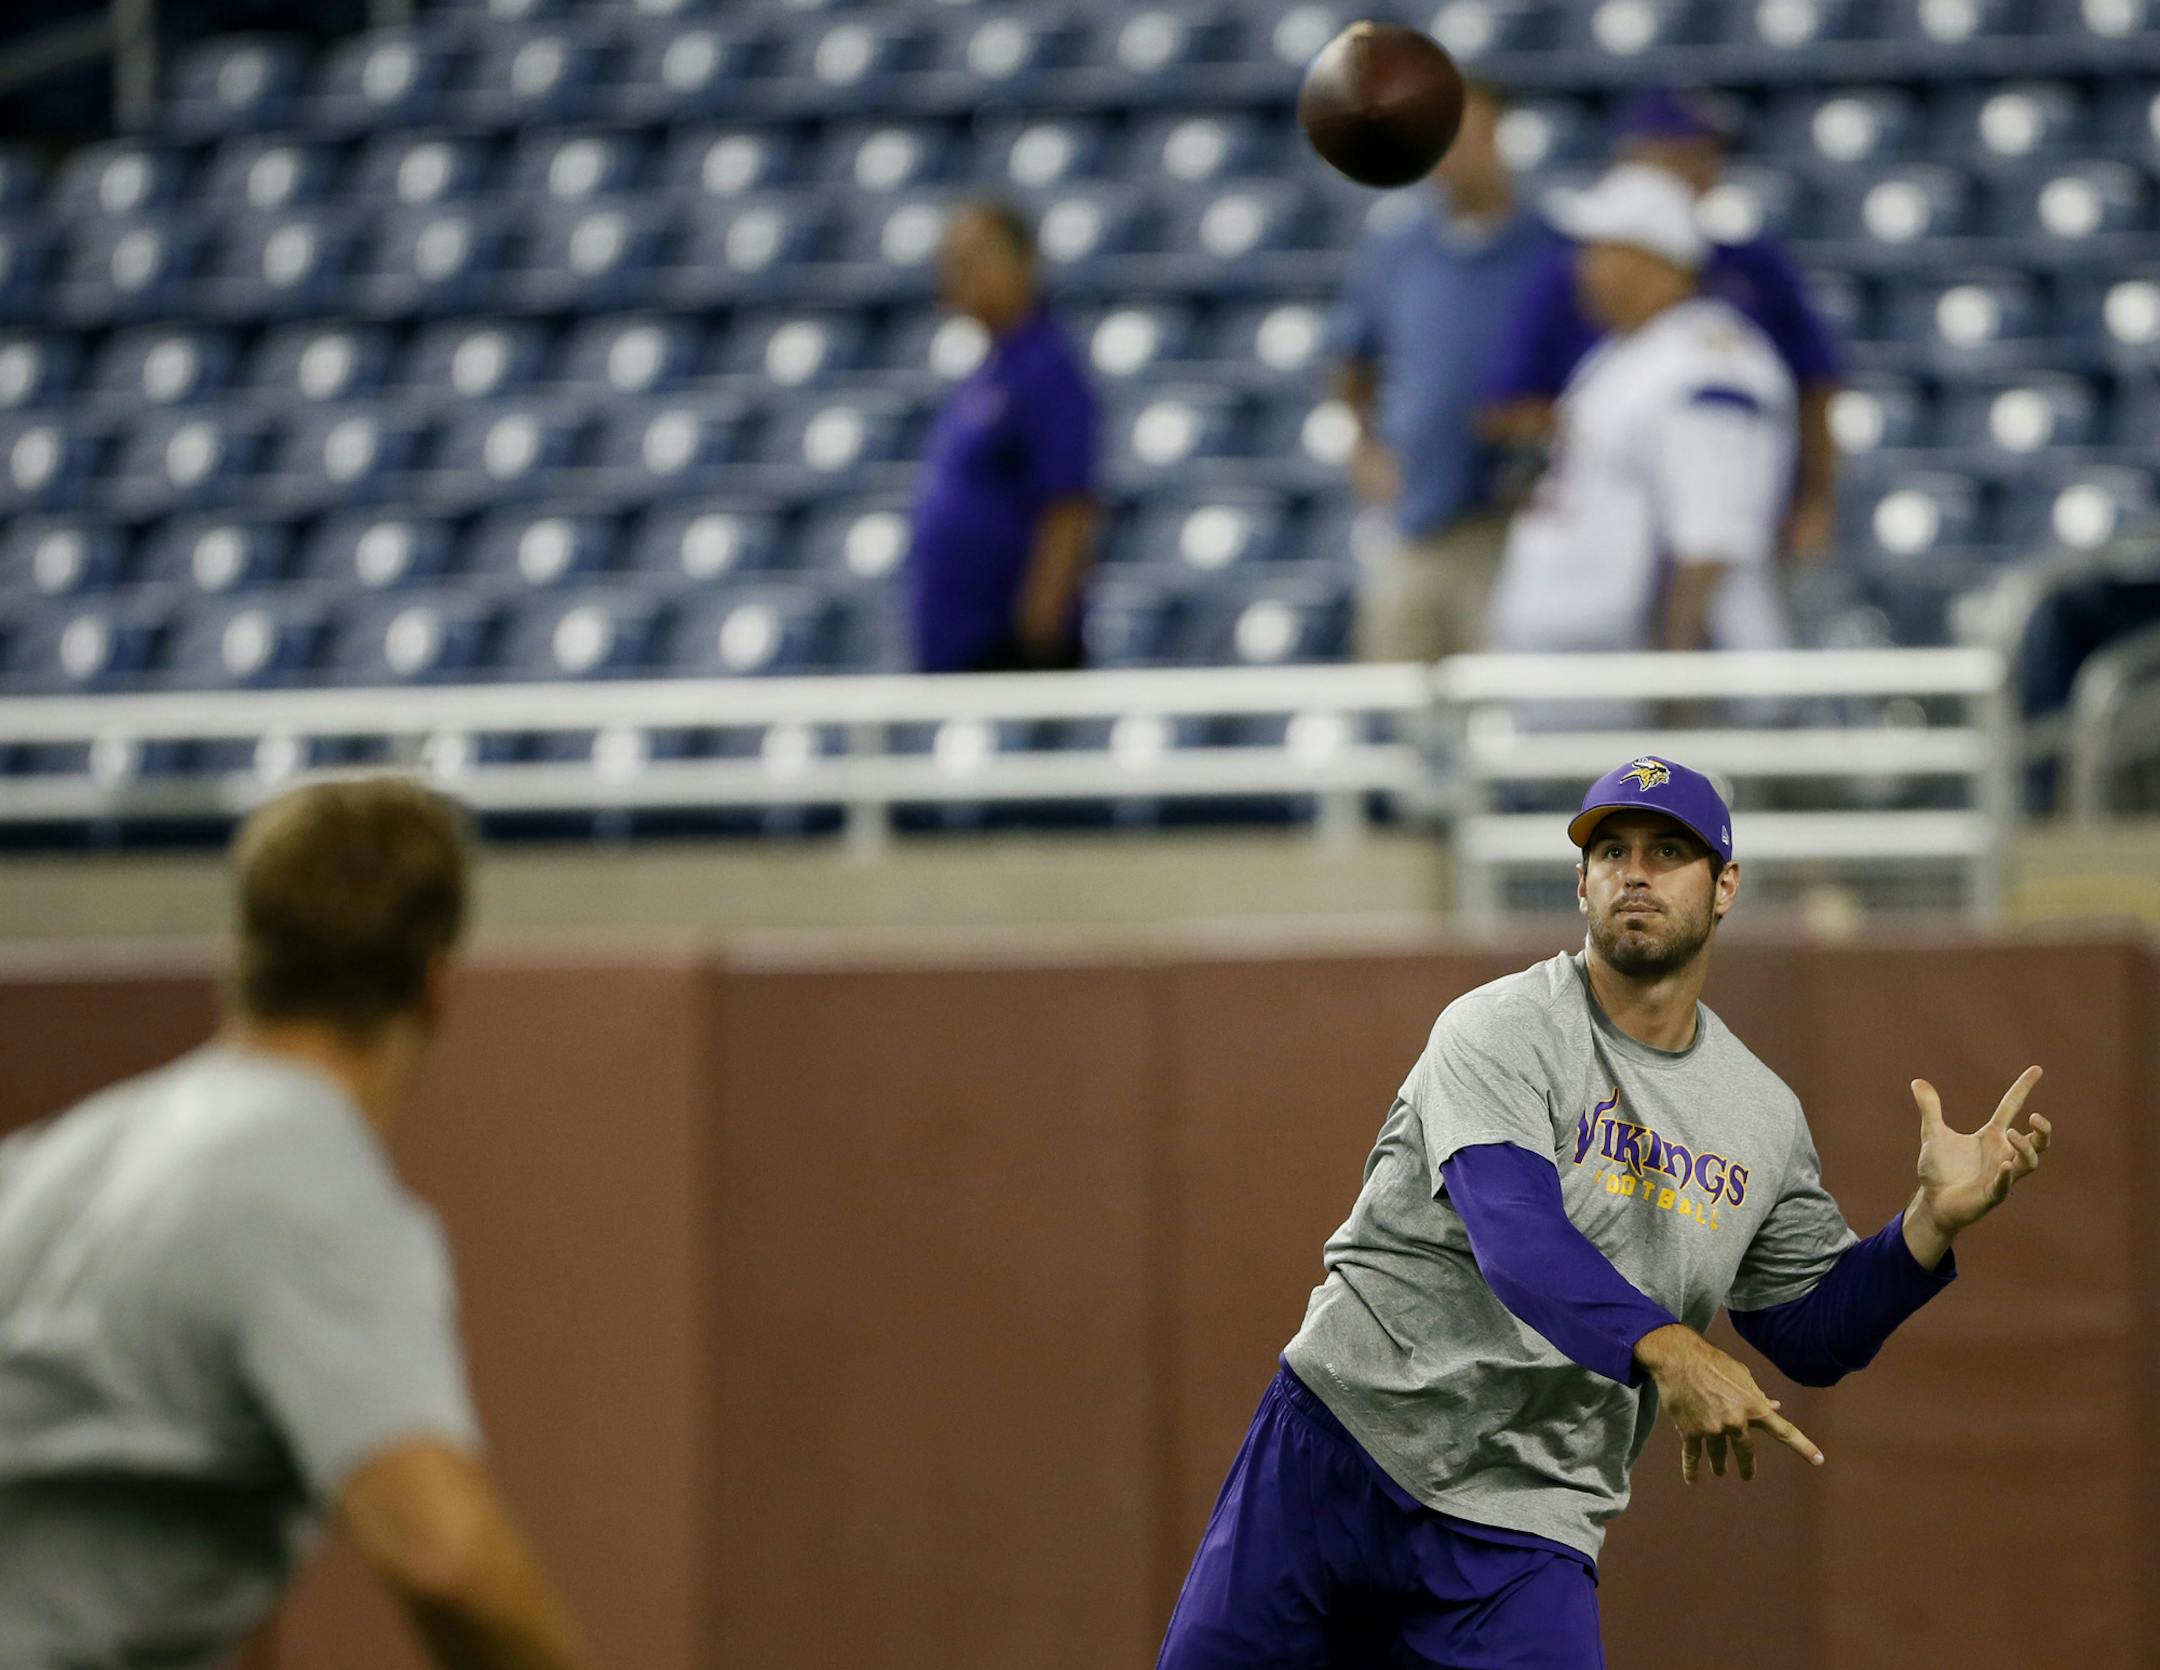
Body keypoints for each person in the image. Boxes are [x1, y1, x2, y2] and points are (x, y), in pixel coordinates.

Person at [1158, 753, 2053, 1668]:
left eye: (1669, 851)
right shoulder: (1499, 1027)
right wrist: (1671, 1349)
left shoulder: (1760, 1114)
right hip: (1341, 1448)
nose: (1636, 871)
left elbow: (1808, 1330)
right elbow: (1515, 1238)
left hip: (1525, 1516)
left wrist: (1928, 1226)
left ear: (1725, 886)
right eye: (1612, 851)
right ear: (1580, 882)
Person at [0, 778, 592, 1670]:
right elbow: (448, 1560)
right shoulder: (307, 1188)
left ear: (241, 958)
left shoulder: (53, 1160)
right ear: (437, 984)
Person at [1482, 86, 1844, 563]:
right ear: (1630, 157)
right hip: (1608, 527)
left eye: (1704, 156)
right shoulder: (1571, 272)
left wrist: (1815, 502)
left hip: (1744, 516)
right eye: (1675, 156)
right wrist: (1608, 435)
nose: (1693, 173)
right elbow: (1508, 405)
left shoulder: (1753, 265)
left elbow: (1814, 387)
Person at [1484, 163, 1795, 662]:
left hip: (1652, 692)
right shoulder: (1626, 354)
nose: (1581, 268)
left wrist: (1673, 691)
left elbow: (1709, 542)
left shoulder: (1707, 362)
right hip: (1592, 682)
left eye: (1601, 250)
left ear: (1656, 260)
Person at [1328, 77, 1558, 662]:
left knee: (1503, 691)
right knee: (1395, 677)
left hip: (1516, 526)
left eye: (1471, 137)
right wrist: (1365, 445)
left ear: (1501, 140)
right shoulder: (1398, 249)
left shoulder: (1552, 251)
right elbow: (1351, 357)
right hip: (1415, 516)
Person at [907, 197, 1099, 673]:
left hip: (1009, 655)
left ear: (1024, 263)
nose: (958, 273)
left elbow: (1068, 507)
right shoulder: (989, 370)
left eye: (975, 259)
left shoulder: (1045, 368)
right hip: (961, 646)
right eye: (951, 261)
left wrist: (1038, 641)